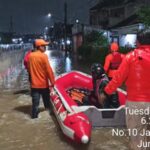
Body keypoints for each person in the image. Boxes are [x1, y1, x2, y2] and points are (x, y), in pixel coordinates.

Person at [102, 29, 150, 150]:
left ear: (137, 42)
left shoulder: (130, 57)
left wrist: (106, 92)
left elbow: (117, 78)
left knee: (137, 138)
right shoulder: (124, 56)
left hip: (136, 103)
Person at [28, 39, 55, 119]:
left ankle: (34, 119)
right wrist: (53, 82)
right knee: (47, 105)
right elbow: (49, 70)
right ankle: (49, 119)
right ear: (39, 47)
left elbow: (29, 70)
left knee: (35, 106)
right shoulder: (44, 56)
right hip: (43, 85)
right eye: (44, 46)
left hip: (34, 86)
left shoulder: (30, 56)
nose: (45, 47)